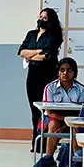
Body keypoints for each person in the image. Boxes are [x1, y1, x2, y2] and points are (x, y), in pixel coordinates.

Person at [18, 8, 63, 149]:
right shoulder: (31, 34)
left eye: (45, 18)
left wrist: (31, 55)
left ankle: (45, 142)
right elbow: (21, 52)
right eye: (40, 17)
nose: (41, 20)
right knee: (34, 110)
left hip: (47, 74)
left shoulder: (54, 35)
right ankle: (35, 141)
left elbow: (46, 55)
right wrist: (37, 52)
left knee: (45, 109)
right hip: (32, 74)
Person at [39, 57, 84, 156]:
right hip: (54, 117)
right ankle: (48, 159)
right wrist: (65, 121)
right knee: (53, 126)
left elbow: (82, 113)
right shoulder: (50, 88)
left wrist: (68, 125)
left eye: (69, 70)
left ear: (74, 73)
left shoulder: (81, 89)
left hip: (74, 119)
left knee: (75, 129)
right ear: (58, 72)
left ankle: (76, 160)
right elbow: (49, 112)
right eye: (62, 70)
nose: (65, 73)